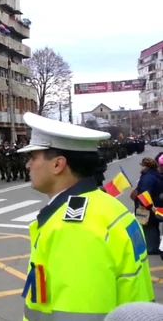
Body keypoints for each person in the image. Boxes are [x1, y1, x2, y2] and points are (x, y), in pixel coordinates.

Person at [18, 112, 154, 320]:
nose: (28, 165)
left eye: (33, 157)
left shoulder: (73, 228)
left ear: (58, 164)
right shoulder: (105, 204)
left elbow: (79, 314)